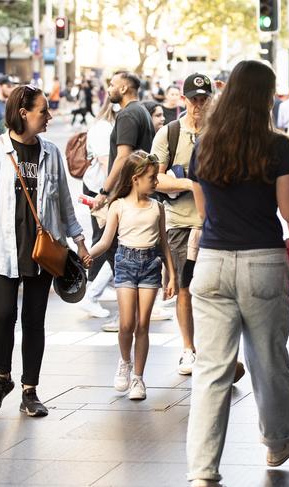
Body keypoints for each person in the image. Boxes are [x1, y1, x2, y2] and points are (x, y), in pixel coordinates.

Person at [186, 60, 289, 486]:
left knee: (211, 370)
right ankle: (280, 440)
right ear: (265, 97)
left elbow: (203, 212)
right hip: (262, 262)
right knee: (268, 357)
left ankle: (202, 471)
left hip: (212, 264)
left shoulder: (205, 144)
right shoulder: (277, 146)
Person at [0, 85, 90, 417]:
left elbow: (64, 203)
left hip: (42, 252)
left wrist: (78, 241)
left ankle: (30, 390)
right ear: (23, 113)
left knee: (34, 321)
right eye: (43, 111)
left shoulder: (51, 152)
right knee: (3, 316)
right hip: (1, 248)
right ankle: (1, 377)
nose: (48, 117)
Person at [89, 151, 176, 400]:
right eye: (152, 178)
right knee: (126, 323)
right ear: (136, 178)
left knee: (143, 324)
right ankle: (125, 361)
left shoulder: (157, 207)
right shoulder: (118, 206)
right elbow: (106, 241)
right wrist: (87, 255)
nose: (156, 182)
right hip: (126, 263)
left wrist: (171, 275)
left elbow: (164, 243)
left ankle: (138, 378)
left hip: (150, 265)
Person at [151, 73, 213, 375]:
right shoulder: (169, 133)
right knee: (185, 287)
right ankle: (188, 348)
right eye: (193, 99)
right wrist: (190, 184)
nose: (198, 105)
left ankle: (213, 348)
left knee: (214, 289)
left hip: (214, 225)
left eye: (204, 99)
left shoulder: (220, 132)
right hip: (179, 223)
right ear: (184, 100)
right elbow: (154, 177)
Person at [92, 71, 155, 332]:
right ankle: (131, 313)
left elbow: (122, 157)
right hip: (136, 190)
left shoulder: (128, 114)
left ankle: (127, 315)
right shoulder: (141, 112)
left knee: (113, 249)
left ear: (126, 87)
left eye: (113, 83)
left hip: (125, 191)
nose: (109, 88)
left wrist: (105, 191)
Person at [79, 98, 118, 319]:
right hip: (101, 189)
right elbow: (105, 162)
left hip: (104, 189)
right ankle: (92, 287)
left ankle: (97, 286)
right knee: (105, 239)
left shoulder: (107, 125)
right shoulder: (103, 128)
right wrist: (108, 194)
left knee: (108, 239)